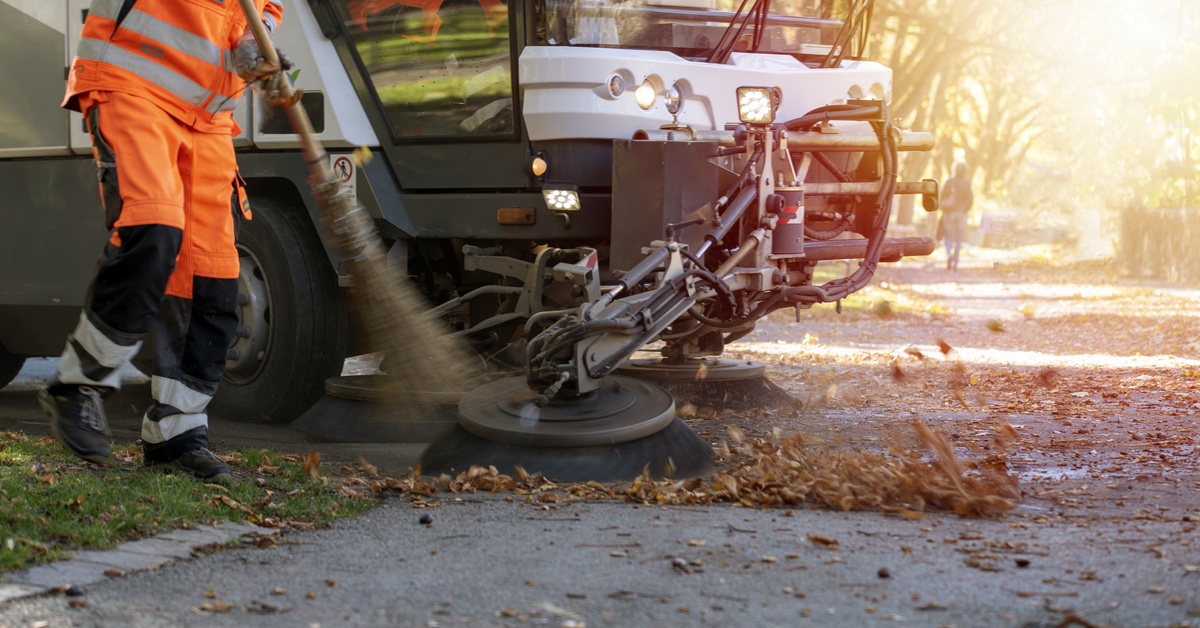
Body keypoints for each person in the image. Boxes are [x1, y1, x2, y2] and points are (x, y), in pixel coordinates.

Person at [38, 0, 289, 485]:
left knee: (213, 278)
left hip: (208, 119)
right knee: (153, 229)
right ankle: (77, 385)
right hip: (132, 85)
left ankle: (176, 433)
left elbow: (263, 10)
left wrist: (253, 51)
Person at [939, 161, 974, 271]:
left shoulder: (949, 182)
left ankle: (949, 254)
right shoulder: (966, 183)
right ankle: (955, 261)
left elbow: (942, 197)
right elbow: (970, 200)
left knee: (948, 236)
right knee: (959, 238)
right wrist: (965, 210)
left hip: (949, 213)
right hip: (961, 213)